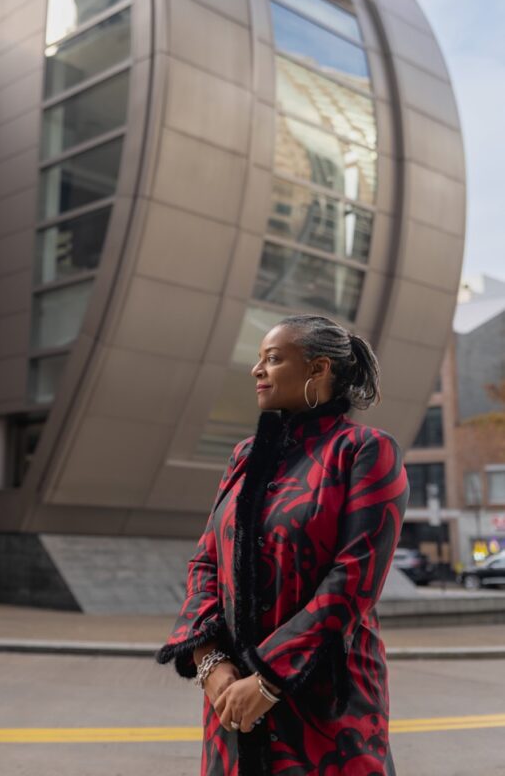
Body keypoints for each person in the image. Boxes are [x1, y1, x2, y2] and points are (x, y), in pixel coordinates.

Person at [156, 314, 409, 776]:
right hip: (232, 700)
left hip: (325, 703)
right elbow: (206, 562)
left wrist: (267, 680)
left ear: (318, 369)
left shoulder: (365, 450)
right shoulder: (244, 456)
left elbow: (353, 580)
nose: (257, 370)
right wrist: (210, 663)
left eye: (272, 359)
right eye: (259, 359)